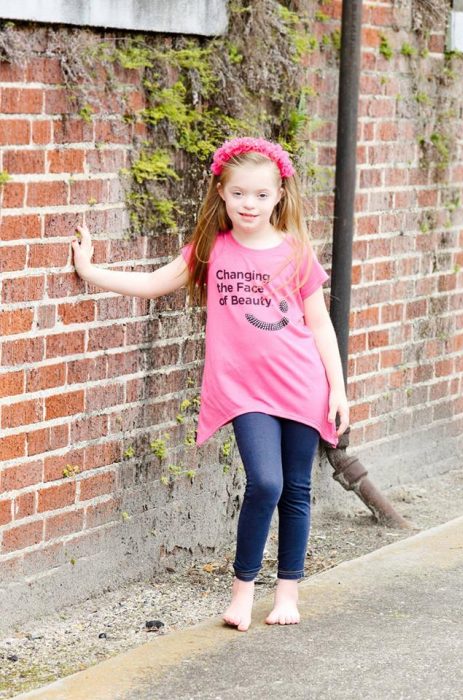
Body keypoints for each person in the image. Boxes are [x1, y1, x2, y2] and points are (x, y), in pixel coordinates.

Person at [71, 136, 350, 633]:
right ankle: (242, 590)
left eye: (262, 195)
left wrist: (339, 389)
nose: (250, 204)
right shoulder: (210, 249)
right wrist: (90, 271)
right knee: (266, 482)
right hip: (246, 392)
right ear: (221, 192)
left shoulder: (296, 252)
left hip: (303, 385)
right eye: (240, 193)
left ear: (279, 196)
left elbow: (321, 325)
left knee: (297, 490)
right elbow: (156, 282)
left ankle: (288, 591)